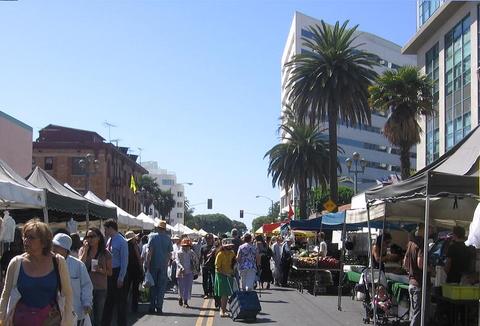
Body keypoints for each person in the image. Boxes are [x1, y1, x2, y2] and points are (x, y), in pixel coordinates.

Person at [0, 219, 73, 326]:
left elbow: (67, 294)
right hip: (21, 321)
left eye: (31, 237)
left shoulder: (58, 262)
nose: (25, 240)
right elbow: (6, 294)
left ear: (44, 242)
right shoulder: (16, 263)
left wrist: (67, 321)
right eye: (25, 236)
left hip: (50, 321)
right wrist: (2, 319)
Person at [52, 233, 93, 326]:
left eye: (57, 246)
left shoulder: (78, 265)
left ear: (66, 250)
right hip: (55, 312)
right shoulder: (48, 264)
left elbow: (86, 285)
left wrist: (87, 302)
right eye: (53, 246)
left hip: (76, 310)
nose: (54, 249)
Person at [79, 227, 112, 326]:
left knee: (98, 316)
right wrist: (85, 250)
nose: (90, 239)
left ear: (99, 238)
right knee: (87, 316)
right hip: (86, 288)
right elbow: (80, 265)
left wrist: (100, 270)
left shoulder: (105, 253)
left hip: (100, 288)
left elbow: (110, 272)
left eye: (92, 236)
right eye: (88, 236)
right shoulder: (83, 250)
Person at [102, 219, 129, 326]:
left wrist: (121, 277)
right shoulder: (109, 240)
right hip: (110, 272)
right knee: (109, 301)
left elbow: (124, 261)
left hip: (118, 272)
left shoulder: (122, 241)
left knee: (120, 303)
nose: (105, 231)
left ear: (110, 228)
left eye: (106, 229)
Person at [403, 224, 431, 326]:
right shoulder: (422, 243)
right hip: (420, 283)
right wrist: (430, 269)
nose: (431, 231)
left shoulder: (411, 243)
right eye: (430, 228)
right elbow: (420, 263)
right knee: (418, 314)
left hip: (412, 283)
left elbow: (405, 262)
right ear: (424, 230)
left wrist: (410, 272)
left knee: (414, 312)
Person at [146, 220, 173, 315]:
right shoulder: (168, 239)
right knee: (161, 288)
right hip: (163, 266)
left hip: (153, 265)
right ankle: (159, 307)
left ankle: (152, 306)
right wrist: (166, 264)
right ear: (165, 229)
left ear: (157, 228)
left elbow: (150, 253)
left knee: (153, 286)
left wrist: (147, 265)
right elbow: (170, 254)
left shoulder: (153, 237)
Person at [214, 238, 236, 318]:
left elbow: (234, 262)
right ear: (224, 247)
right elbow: (217, 268)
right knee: (224, 294)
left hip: (229, 274)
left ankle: (224, 308)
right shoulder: (220, 254)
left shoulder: (232, 253)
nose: (229, 247)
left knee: (227, 293)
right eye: (228, 246)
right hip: (221, 275)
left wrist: (233, 271)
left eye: (230, 246)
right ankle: (222, 310)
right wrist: (225, 274)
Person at [176, 238, 199, 308]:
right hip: (181, 272)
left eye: (187, 246)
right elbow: (177, 261)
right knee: (181, 287)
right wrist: (181, 267)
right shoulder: (179, 252)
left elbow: (196, 260)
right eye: (185, 246)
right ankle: (180, 297)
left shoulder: (191, 252)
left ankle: (185, 301)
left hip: (190, 271)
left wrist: (196, 267)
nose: (186, 247)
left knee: (188, 287)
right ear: (182, 246)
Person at [125, 231, 143, 313]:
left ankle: (125, 306)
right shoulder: (135, 246)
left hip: (127, 269)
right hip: (135, 269)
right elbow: (139, 258)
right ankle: (134, 307)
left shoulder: (124, 246)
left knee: (126, 289)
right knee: (135, 290)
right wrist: (141, 268)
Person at [200, 234, 216, 299]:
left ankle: (211, 292)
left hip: (213, 266)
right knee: (205, 280)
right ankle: (206, 293)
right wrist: (199, 266)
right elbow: (201, 257)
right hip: (205, 266)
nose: (208, 240)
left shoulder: (214, 247)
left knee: (212, 281)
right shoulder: (203, 247)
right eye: (207, 238)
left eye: (210, 238)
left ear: (212, 239)